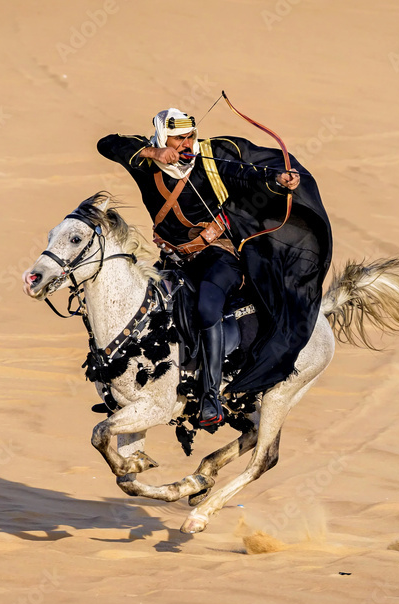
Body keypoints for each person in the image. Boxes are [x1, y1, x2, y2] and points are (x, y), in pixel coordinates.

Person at [97, 107, 332, 427]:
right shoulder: (145, 160)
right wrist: (155, 152)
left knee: (208, 307)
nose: (186, 144)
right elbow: (107, 143)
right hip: (171, 261)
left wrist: (278, 180)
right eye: (179, 138)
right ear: (164, 137)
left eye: (190, 136)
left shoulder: (212, 157)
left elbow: (249, 173)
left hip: (218, 258)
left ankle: (210, 396)